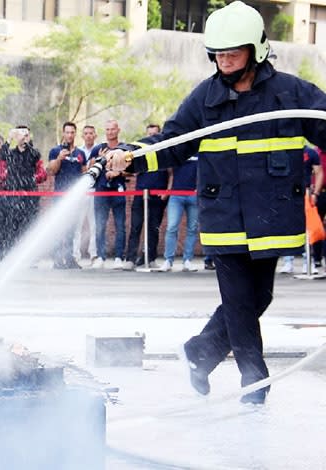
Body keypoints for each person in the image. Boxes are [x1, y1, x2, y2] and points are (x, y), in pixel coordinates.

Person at [107, 1, 326, 404]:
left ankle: (200, 353)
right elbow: (171, 143)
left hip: (271, 219)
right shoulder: (204, 100)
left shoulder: (291, 93)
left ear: (256, 51)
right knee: (241, 301)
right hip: (224, 216)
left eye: (233, 53)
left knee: (257, 298)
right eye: (218, 54)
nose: (224, 60)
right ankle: (254, 386)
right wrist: (131, 156)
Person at [124, 124, 168, 270]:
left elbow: (171, 172)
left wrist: (167, 190)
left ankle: (150, 258)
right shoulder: (140, 152)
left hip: (158, 195)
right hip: (140, 193)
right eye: (149, 134)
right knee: (136, 226)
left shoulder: (165, 152)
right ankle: (130, 259)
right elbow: (129, 170)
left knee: (153, 228)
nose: (151, 137)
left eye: (154, 134)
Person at [47, 122, 87, 269]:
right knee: (59, 227)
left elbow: (84, 173)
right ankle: (57, 260)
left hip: (75, 196)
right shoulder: (55, 150)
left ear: (75, 134)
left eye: (72, 132)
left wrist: (93, 165)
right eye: (67, 132)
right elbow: (51, 171)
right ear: (63, 133)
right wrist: (59, 159)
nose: (69, 135)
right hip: (60, 195)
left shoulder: (80, 153)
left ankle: (69, 258)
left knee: (71, 228)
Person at [90, 119, 128, 269]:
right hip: (101, 191)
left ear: (118, 130)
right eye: (107, 129)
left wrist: (116, 172)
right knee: (100, 225)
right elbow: (90, 169)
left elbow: (131, 170)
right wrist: (98, 159)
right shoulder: (98, 148)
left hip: (118, 190)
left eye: (113, 129)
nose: (110, 132)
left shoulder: (125, 149)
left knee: (120, 225)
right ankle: (100, 256)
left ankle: (119, 257)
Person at [279, 145, 323, 273]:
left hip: (305, 192)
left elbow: (319, 172)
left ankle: (308, 261)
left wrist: (315, 193)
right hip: (286, 192)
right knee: (287, 227)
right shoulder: (284, 150)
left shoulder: (310, 152)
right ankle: (288, 261)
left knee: (308, 228)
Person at [0, 126, 42, 253]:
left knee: (29, 226)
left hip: (29, 195)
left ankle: (29, 254)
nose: (22, 136)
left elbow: (36, 156)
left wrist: (26, 141)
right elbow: (2, 155)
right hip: (13, 194)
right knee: (12, 225)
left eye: (26, 134)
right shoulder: (12, 153)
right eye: (21, 134)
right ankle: (11, 252)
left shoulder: (32, 152)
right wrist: (9, 138)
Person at [159, 156, 199, 272]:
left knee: (192, 228)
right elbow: (170, 173)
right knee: (171, 227)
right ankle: (168, 260)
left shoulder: (198, 152)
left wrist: (199, 188)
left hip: (193, 194)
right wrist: (168, 190)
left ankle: (187, 261)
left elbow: (203, 171)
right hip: (176, 195)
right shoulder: (177, 151)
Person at [73, 124, 98, 264]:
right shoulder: (78, 152)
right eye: (86, 133)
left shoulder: (100, 149)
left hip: (95, 191)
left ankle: (93, 254)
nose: (88, 135)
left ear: (95, 135)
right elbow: (79, 172)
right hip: (81, 192)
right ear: (82, 136)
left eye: (91, 133)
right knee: (78, 224)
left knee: (94, 224)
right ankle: (75, 255)